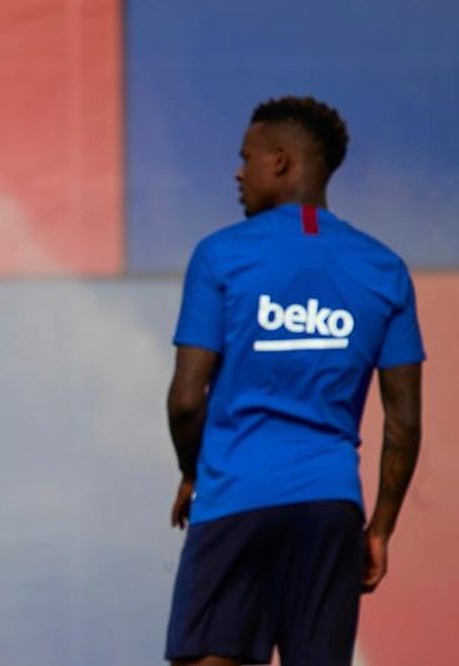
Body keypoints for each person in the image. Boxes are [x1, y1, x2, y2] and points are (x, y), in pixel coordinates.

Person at [164, 96, 423, 666]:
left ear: (280, 161)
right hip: (331, 507)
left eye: (246, 157)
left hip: (235, 498)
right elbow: (404, 423)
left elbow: (186, 400)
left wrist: (192, 471)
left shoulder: (220, 256)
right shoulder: (384, 268)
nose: (238, 171)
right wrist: (379, 528)